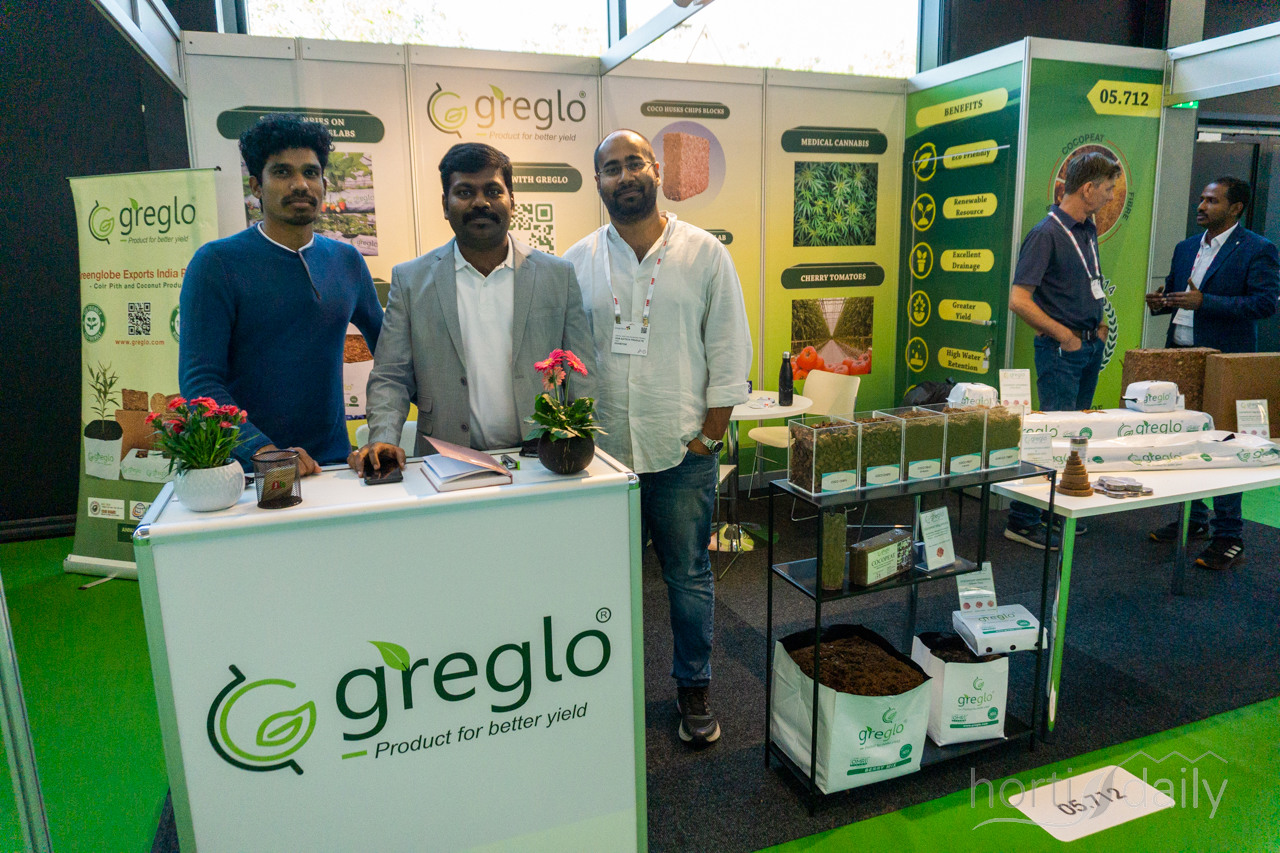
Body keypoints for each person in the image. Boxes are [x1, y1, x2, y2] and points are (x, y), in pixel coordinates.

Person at [566, 130, 751, 747]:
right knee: (599, 585)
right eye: (611, 168)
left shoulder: (704, 253)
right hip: (602, 460)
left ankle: (693, 689)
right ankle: (598, 695)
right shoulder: (577, 261)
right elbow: (564, 358)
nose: (624, 176)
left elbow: (729, 349)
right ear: (598, 182)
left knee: (688, 578)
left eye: (634, 163)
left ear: (656, 171)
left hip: (680, 453)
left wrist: (709, 438)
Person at [352, 142, 594, 473]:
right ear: (445, 204)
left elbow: (581, 370)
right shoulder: (410, 281)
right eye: (465, 192)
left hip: (542, 460)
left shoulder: (557, 275)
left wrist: (581, 447)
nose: (481, 202)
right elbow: (391, 376)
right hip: (445, 461)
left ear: (512, 201)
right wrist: (383, 437)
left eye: (493, 191)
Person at [180, 114, 382, 473]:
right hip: (247, 472)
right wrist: (262, 451)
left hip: (333, 466)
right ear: (257, 186)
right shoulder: (217, 262)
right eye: (282, 172)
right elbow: (200, 383)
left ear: (324, 183)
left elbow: (392, 352)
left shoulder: (346, 260)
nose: (300, 184)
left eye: (311, 172)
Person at [1144, 176, 1279, 570]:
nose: (1201, 206)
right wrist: (1161, 303)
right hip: (1180, 358)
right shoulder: (1186, 247)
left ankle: (1228, 535)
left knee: (1224, 447)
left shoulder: (1258, 249)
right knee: (1183, 441)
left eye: (1212, 201)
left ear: (1235, 208)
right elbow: (1180, 297)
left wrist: (1206, 302)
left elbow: (1264, 305)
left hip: (1225, 362)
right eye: (1202, 199)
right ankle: (1193, 518)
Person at [1004, 151, 1121, 549]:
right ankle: (1022, 520)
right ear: (1087, 189)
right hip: (1061, 351)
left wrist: (1099, 326)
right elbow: (1019, 300)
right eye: (1108, 189)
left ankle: (1054, 511)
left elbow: (1089, 283)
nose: (1111, 196)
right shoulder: (1046, 234)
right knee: (1052, 436)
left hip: (1088, 347)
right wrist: (1064, 336)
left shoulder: (1087, 229)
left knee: (1075, 436)